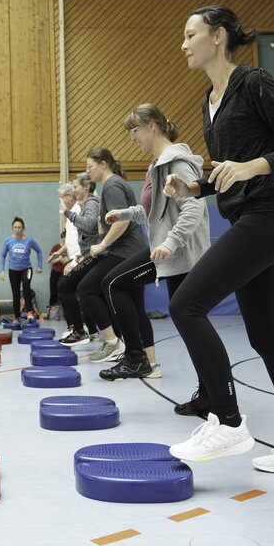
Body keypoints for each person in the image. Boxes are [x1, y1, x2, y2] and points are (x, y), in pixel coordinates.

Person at [165, 6, 274, 474]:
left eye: (190, 33)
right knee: (266, 338)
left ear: (217, 37)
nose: (183, 43)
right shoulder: (208, 100)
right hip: (249, 215)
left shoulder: (254, 83)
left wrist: (254, 165)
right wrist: (195, 186)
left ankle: (229, 422)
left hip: (270, 217)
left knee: (186, 305)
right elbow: (227, 172)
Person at [100, 104, 210, 384]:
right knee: (188, 324)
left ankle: (136, 358)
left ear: (152, 126)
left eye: (134, 131)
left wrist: (170, 243)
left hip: (180, 254)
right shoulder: (156, 165)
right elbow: (154, 211)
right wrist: (124, 214)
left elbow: (194, 208)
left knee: (113, 283)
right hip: (169, 255)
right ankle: (207, 393)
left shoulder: (175, 162)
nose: (132, 138)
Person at [75, 148, 147, 365]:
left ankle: (112, 341)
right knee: (135, 306)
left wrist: (102, 244)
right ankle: (142, 358)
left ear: (103, 163)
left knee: (86, 289)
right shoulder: (114, 184)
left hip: (125, 251)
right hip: (132, 251)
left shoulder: (112, 185)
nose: (87, 172)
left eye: (90, 166)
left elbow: (122, 220)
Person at [56, 174, 101, 345]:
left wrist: (74, 261)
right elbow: (75, 239)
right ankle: (85, 330)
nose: (74, 191)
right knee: (82, 291)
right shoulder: (82, 207)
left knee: (67, 286)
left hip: (89, 256)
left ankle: (80, 329)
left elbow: (87, 229)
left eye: (76, 188)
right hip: (83, 256)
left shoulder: (85, 206)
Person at [0, 217, 44, 323]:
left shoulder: (29, 240)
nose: (17, 229)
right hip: (13, 270)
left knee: (26, 287)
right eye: (15, 227)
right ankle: (16, 317)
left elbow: (39, 251)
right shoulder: (8, 241)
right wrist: (1, 270)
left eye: (19, 227)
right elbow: (2, 255)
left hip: (26, 269)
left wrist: (39, 266)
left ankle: (30, 312)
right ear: (12, 228)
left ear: (23, 228)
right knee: (16, 294)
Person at [46, 230, 69, 319]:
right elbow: (50, 260)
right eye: (63, 240)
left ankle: (66, 314)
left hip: (66, 273)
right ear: (61, 239)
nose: (64, 242)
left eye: (66, 241)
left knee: (65, 293)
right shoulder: (56, 247)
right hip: (56, 272)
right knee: (53, 293)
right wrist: (59, 258)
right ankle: (52, 314)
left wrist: (67, 258)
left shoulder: (70, 247)